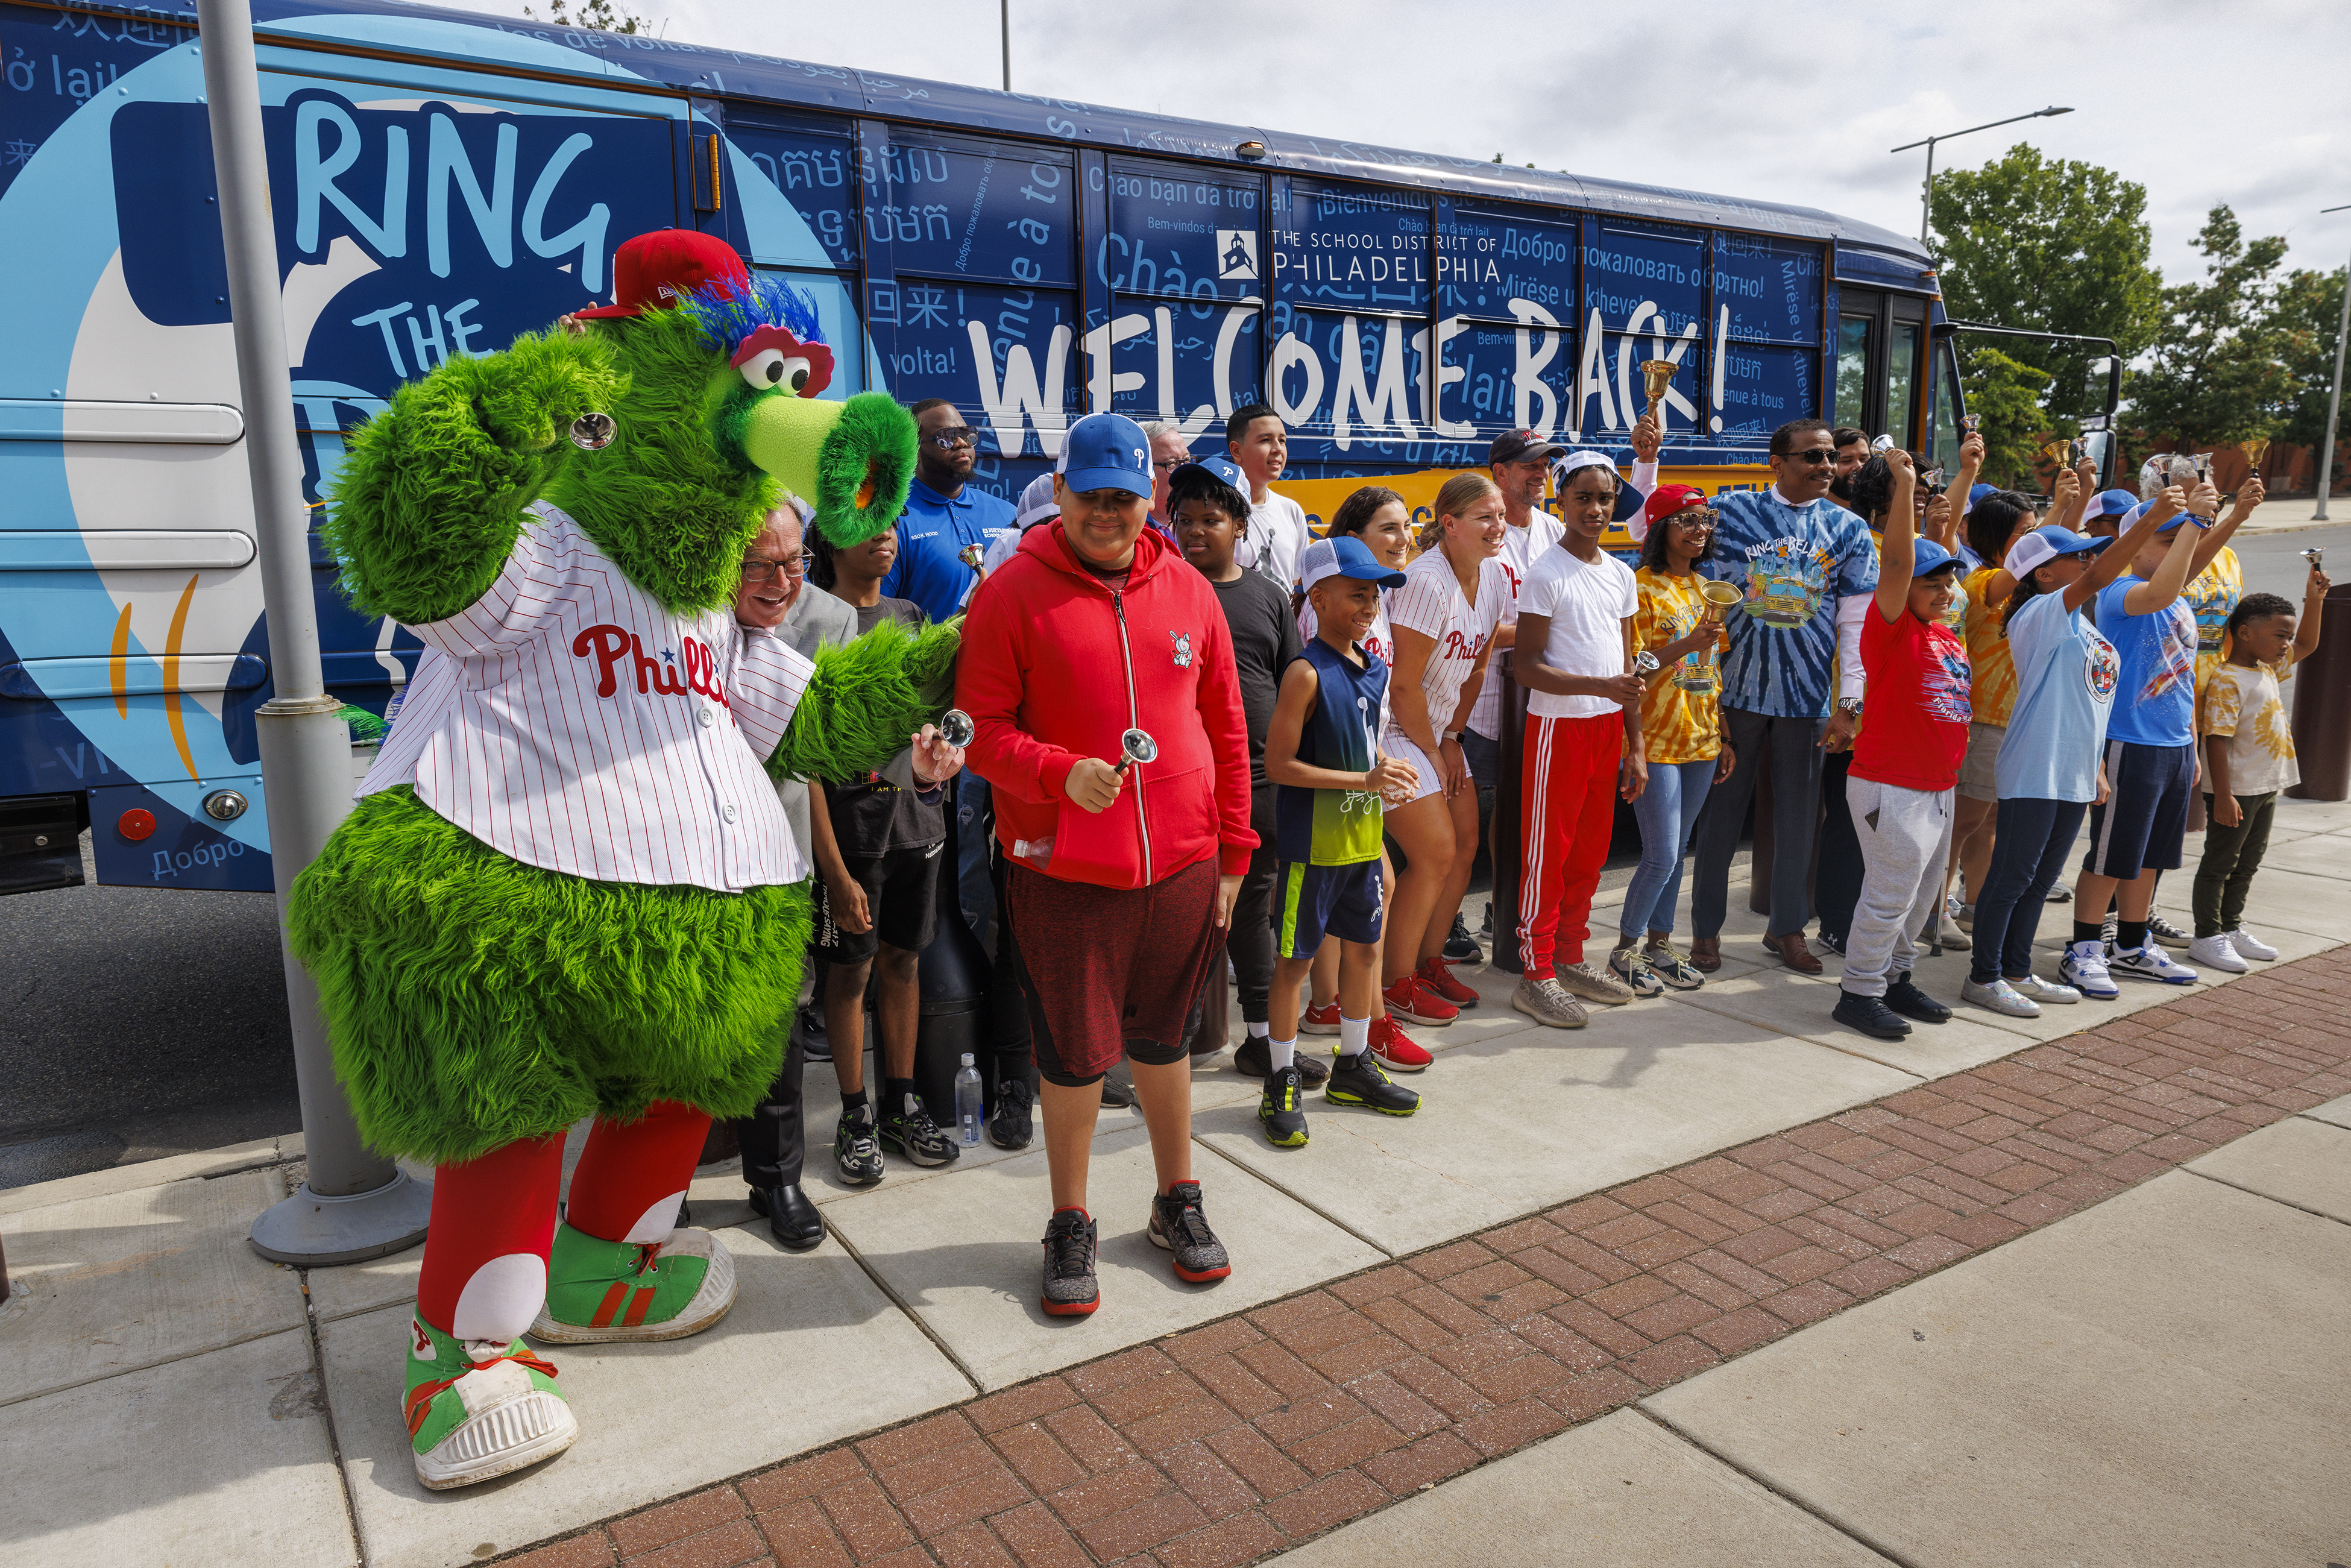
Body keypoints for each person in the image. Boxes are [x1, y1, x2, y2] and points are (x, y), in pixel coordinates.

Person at [955, 411, 1257, 1318]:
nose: (1109, 515)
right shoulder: (1011, 592)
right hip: (1061, 870)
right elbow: (980, 736)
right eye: (1092, 497)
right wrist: (1058, 772)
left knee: (1166, 1042)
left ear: (1149, 497)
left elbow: (1228, 727)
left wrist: (1235, 850)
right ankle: (1070, 1219)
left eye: (1125, 498)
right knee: (1076, 1056)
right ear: (1062, 493)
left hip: (1182, 865)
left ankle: (1176, 1200)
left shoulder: (1191, 592)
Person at [805, 524, 966, 1181]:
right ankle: (855, 1114)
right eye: (865, 530)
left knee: (903, 964)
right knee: (850, 976)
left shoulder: (910, 617)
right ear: (830, 544)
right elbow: (803, 765)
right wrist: (835, 871)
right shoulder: (810, 622)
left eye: (891, 529)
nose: (884, 539)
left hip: (918, 829)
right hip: (852, 837)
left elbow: (937, 722)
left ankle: (900, 1104)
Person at [1688, 418, 1878, 975]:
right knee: (1719, 818)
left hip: (1808, 698)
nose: (1824, 467)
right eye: (1811, 458)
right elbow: (1650, 528)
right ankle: (1704, 933)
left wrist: (1852, 702)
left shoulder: (1849, 530)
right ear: (1777, 462)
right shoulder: (1733, 513)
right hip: (1734, 693)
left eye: (1829, 458)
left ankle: (1788, 929)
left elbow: (1854, 624)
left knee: (1800, 820)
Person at [1957, 509, 2164, 1018]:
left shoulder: (2082, 621)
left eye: (2089, 551)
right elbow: (2100, 576)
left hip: (2073, 770)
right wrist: (2152, 518)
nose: (2089, 560)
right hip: (2036, 765)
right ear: (2044, 573)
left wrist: (2095, 767)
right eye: (2076, 555)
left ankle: (2016, 970)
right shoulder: (2038, 613)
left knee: (2040, 878)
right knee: (2012, 877)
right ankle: (1983, 978)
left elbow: (2087, 700)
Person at [1259, 535, 1426, 1145]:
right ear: (1319, 597)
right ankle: (1279, 1078)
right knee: (1296, 965)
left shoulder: (1372, 666)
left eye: (1375, 592)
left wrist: (1387, 770)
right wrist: (1365, 777)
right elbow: (1279, 766)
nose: (1370, 602)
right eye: (1357, 592)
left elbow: (1365, 738)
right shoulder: (1304, 672)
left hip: (1361, 837)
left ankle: (1352, 1065)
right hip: (1314, 846)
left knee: (1363, 954)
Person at [728, 502, 856, 1250]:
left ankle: (776, 1178)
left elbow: (849, 731)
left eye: (794, 561)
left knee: (775, 1031)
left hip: (774, 852)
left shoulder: (827, 619)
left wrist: (919, 767)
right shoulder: (668, 611)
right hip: (670, 854)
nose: (780, 581)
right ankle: (653, 1192)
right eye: (758, 563)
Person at [2059, 485, 2223, 997]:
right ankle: (2083, 949)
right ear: (2138, 543)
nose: (2181, 547)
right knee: (2112, 855)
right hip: (2129, 742)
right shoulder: (2119, 593)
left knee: (2150, 855)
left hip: (2172, 746)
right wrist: (2192, 521)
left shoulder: (2180, 602)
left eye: (2183, 541)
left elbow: (2184, 677)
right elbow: (2159, 592)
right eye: (2168, 539)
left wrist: (2192, 746)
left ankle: (2132, 943)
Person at [1169, 455, 1302, 1076]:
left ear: (1241, 525)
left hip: (1262, 786)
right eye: (1186, 520)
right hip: (1188, 791)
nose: (1196, 532)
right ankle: (1165, 1044)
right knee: (1185, 922)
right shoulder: (1164, 592)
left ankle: (1262, 1041)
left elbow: (1294, 682)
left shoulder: (1268, 597)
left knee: (1253, 916)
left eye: (1211, 519)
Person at [1833, 449, 1968, 1041]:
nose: (1945, 590)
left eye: (1949, 580)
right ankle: (1859, 992)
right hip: (1891, 782)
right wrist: (1903, 489)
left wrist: (1941, 521)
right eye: (1931, 583)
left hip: (1938, 787)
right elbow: (1895, 562)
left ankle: (1896, 976)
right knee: (1889, 894)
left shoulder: (1943, 633)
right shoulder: (1890, 631)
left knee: (1921, 901)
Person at [1293, 486, 1426, 1072]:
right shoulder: (1334, 609)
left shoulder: (1376, 598)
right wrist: (1364, 771)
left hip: (1358, 772)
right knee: (1373, 891)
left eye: (1406, 526)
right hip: (1340, 777)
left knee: (1350, 891)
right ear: (1353, 538)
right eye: (1390, 529)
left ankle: (1327, 1005)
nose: (1405, 539)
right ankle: (1371, 1024)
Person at [1508, 453, 1643, 1025]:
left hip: (1607, 727)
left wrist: (1636, 744)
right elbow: (1527, 667)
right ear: (1561, 501)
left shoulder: (1620, 573)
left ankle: (1569, 957)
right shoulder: (1546, 572)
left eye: (1605, 499)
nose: (1595, 509)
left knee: (1590, 852)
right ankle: (1535, 972)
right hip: (1557, 730)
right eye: (1583, 497)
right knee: (1549, 854)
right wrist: (1600, 685)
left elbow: (1631, 668)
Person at [1379, 473, 1509, 1028]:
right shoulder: (1425, 581)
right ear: (1449, 524)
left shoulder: (1496, 575)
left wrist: (1454, 738)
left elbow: (1478, 664)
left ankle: (1430, 961)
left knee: (1465, 845)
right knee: (1433, 852)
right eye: (1485, 516)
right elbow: (1403, 686)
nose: (1498, 526)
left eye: (1501, 514)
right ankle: (1394, 982)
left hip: (1435, 733)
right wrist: (1434, 752)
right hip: (1393, 731)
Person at [1613, 485, 1732, 995]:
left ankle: (1660, 947)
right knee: (1660, 853)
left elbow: (1711, 668)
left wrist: (1724, 734)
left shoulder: (1709, 589)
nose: (1700, 530)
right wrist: (1685, 643)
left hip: (1702, 738)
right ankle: (1624, 952)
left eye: (1705, 519)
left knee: (1678, 851)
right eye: (1687, 520)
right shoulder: (1639, 587)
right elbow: (1631, 667)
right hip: (1656, 739)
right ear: (1662, 528)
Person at [2191, 570, 2327, 972]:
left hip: (2266, 785)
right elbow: (2216, 738)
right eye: (2279, 636)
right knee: (2220, 863)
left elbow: (2309, 643)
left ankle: (2231, 927)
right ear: (2246, 633)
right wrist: (2225, 794)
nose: (2287, 644)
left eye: (2287, 637)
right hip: (2237, 789)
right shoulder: (2229, 680)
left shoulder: (2268, 668)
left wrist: (2314, 600)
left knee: (2248, 861)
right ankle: (2207, 935)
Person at [1227, 403, 1314, 590]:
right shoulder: (1218, 511)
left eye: (1282, 441)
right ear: (1237, 451)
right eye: (1266, 440)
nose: (1278, 449)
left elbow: (1297, 582)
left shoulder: (1292, 511)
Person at [1142, 418, 1195, 541]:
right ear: (1146, 470)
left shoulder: (1199, 522)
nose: (1185, 471)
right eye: (1172, 463)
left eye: (1186, 460)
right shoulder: (1131, 533)